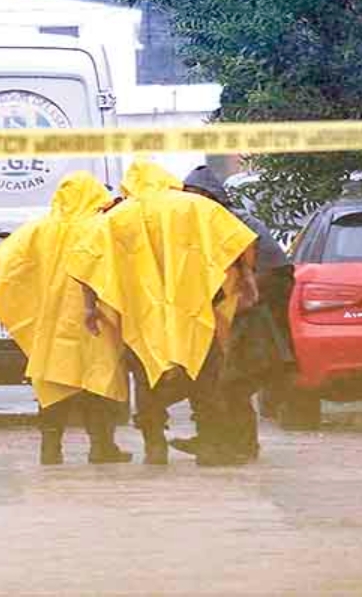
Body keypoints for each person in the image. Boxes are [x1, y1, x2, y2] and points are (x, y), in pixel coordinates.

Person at [66, 159, 259, 466]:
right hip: (196, 307)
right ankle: (210, 445)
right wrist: (247, 278)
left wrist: (90, 307)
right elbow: (239, 240)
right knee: (204, 374)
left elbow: (83, 263)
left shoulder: (115, 218)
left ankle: (154, 446)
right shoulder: (196, 207)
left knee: (147, 378)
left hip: (140, 314)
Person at [0, 171, 132, 465]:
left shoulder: (37, 230)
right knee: (98, 379)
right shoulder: (100, 228)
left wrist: (29, 304)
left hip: (51, 322)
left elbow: (2, 267)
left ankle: (51, 449)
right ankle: (102, 447)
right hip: (95, 317)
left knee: (52, 382)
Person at [174, 165, 296, 462]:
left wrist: (241, 299)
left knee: (234, 379)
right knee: (221, 379)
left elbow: (272, 272)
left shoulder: (234, 221)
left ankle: (236, 446)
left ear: (207, 195)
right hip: (228, 311)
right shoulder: (205, 223)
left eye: (193, 194)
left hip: (250, 311)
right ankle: (218, 439)